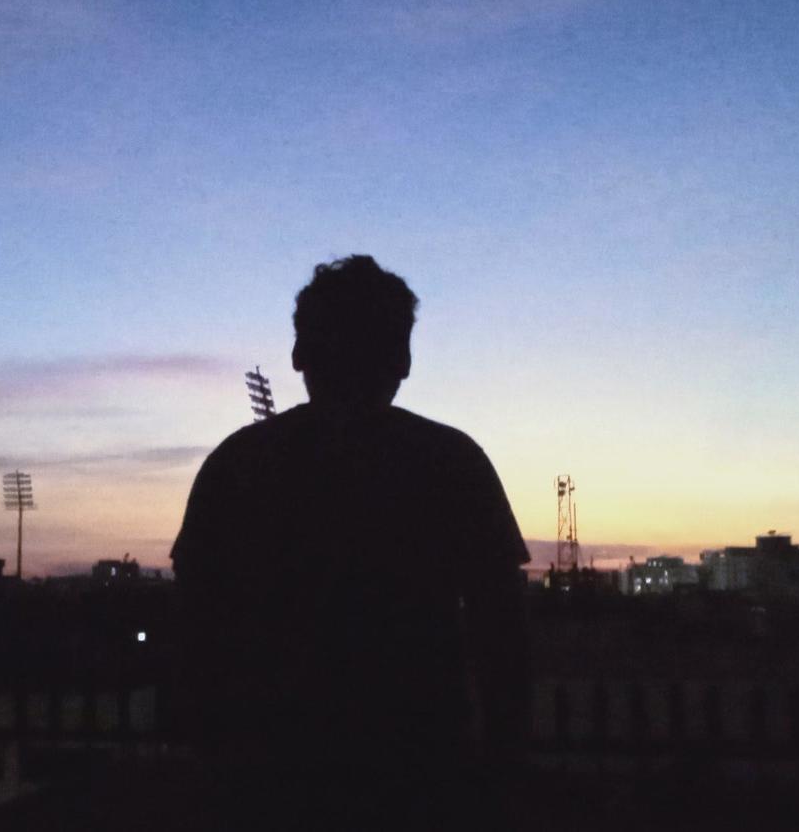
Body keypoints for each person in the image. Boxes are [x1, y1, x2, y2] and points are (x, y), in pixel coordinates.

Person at [171, 255, 530, 830]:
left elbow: (194, 628)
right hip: (419, 767)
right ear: (404, 360)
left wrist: (213, 757)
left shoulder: (236, 465)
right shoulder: (452, 462)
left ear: (299, 356)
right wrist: (502, 764)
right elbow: (502, 631)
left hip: (265, 772)